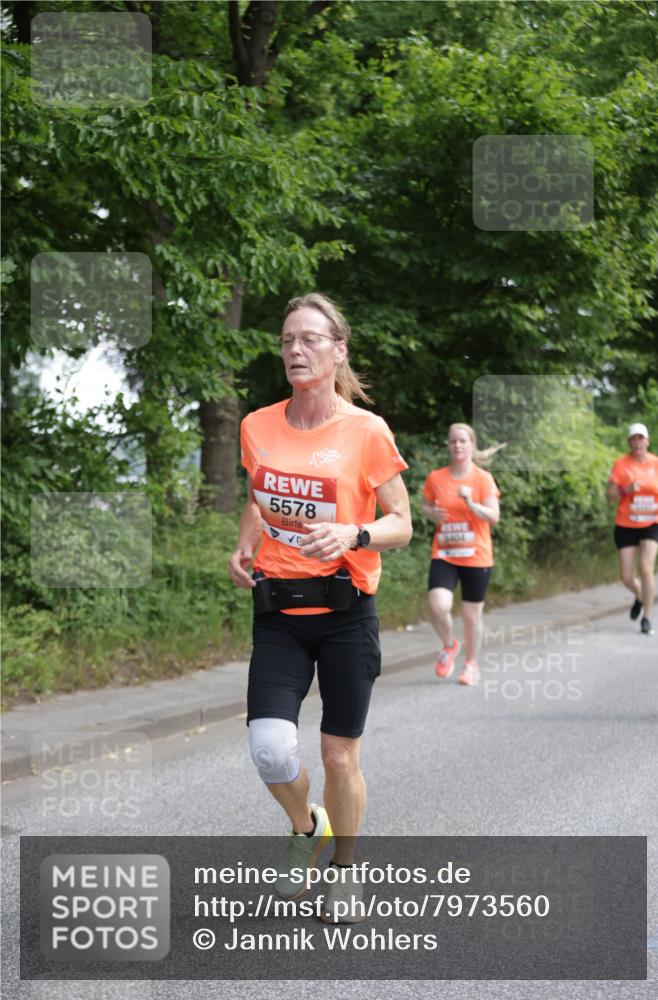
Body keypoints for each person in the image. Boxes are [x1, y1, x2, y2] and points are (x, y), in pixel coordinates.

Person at [227, 292, 412, 922]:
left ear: (338, 350)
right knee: (271, 750)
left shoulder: (366, 431)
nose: (296, 351)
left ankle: (345, 870)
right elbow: (260, 493)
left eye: (310, 339)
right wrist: (245, 542)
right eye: (287, 341)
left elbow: (402, 523)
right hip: (278, 610)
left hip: (345, 612)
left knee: (339, 755)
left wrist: (354, 534)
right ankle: (307, 826)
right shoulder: (258, 425)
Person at [422, 424, 502, 686]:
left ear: (472, 445)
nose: (457, 445)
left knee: (471, 615)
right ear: (448, 445)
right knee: (438, 605)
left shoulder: (482, 479)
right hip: (444, 553)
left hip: (476, 556)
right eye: (453, 441)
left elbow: (494, 516)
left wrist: (471, 504)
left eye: (463, 441)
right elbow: (425, 506)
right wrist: (432, 514)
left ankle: (471, 664)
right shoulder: (436, 478)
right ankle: (449, 645)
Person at [606, 422, 658, 636]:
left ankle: (647, 618)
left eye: (641, 438)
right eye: (633, 438)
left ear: (647, 441)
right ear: (629, 442)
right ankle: (640, 595)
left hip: (652, 522)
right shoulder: (621, 465)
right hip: (626, 523)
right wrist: (626, 490)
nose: (637, 442)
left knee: (646, 568)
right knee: (626, 577)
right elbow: (609, 496)